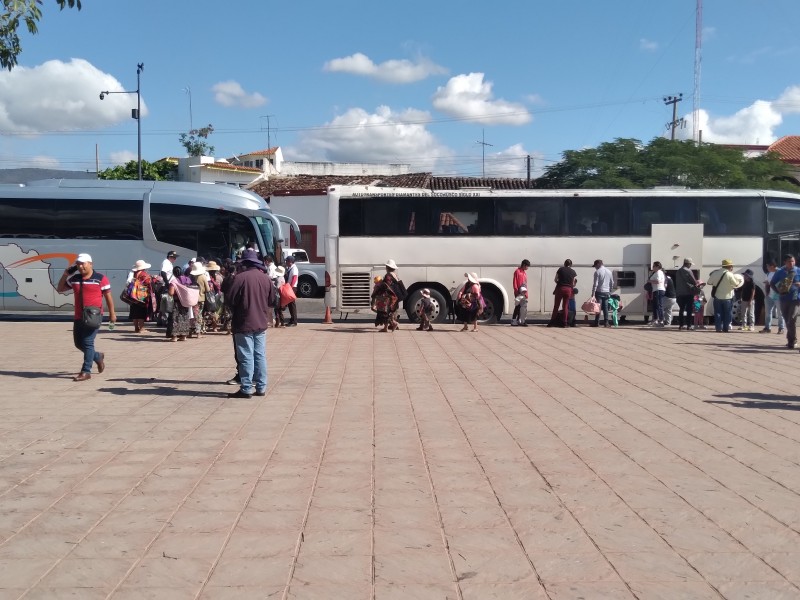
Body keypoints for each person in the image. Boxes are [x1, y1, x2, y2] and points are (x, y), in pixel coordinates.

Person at [56, 253, 116, 381]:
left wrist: (112, 314)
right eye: (78, 264)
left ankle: (86, 371)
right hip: (79, 316)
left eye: (83, 263)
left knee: (88, 342)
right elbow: (60, 289)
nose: (80, 266)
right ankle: (97, 357)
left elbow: (108, 297)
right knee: (78, 343)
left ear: (90, 264)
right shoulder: (75, 279)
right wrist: (66, 274)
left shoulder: (100, 278)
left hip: (94, 316)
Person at [225, 248, 273, 399]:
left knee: (246, 356)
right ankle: (261, 387)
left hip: (244, 322)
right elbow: (273, 301)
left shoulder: (239, 278)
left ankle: (246, 388)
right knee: (260, 355)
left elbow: (229, 300)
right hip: (261, 321)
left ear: (244, 263)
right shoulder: (266, 278)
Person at [706, 259, 745, 333]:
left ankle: (718, 328)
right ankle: (725, 328)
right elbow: (736, 284)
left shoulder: (716, 273)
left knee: (718, 313)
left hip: (717, 297)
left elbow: (709, 282)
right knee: (727, 313)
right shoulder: (730, 274)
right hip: (728, 297)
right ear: (729, 266)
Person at [772, 253, 800, 349]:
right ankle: (790, 339)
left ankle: (793, 340)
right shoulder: (780, 272)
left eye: (793, 261)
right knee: (787, 320)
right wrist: (778, 292)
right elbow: (772, 283)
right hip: (784, 299)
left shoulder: (798, 271)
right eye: (789, 261)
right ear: (785, 262)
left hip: (795, 299)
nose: (791, 263)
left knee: (792, 319)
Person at [167, 266, 195, 342]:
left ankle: (175, 336)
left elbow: (171, 292)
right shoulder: (188, 279)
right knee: (185, 317)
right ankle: (184, 336)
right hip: (186, 302)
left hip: (177, 302)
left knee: (175, 318)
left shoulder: (174, 281)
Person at [126, 259, 153, 334]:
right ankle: (141, 328)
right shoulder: (144, 274)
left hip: (133, 295)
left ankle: (136, 328)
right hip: (141, 296)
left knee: (134, 312)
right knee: (141, 312)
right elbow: (148, 282)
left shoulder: (133, 274)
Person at [549, 259, 576, 328]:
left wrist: (560, 282)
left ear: (564, 264)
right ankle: (565, 322)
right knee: (565, 306)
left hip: (560, 288)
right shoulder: (573, 272)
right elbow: (573, 283)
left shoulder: (560, 269)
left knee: (556, 306)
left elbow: (555, 279)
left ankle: (552, 322)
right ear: (571, 264)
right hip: (568, 290)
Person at [675, 258, 700, 331]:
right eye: (690, 264)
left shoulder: (678, 271)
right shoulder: (688, 271)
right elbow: (694, 281)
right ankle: (689, 325)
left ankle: (681, 325)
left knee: (681, 309)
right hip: (688, 293)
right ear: (688, 264)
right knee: (689, 310)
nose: (690, 266)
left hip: (679, 293)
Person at [760, 261, 785, 334]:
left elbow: (783, 283)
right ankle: (767, 328)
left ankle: (781, 328)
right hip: (769, 295)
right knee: (768, 312)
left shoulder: (780, 272)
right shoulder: (768, 273)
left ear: (772, 266)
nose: (767, 268)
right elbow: (767, 282)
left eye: (768, 266)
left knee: (780, 313)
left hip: (778, 295)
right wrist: (766, 293)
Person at [590, 259, 614, 328]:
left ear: (598, 264)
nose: (595, 267)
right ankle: (606, 323)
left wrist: (593, 293)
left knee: (598, 307)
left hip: (599, 291)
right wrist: (610, 291)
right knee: (606, 308)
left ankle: (597, 322)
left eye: (595, 266)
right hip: (607, 292)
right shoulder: (609, 271)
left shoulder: (597, 272)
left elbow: (595, 284)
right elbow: (612, 282)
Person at [384, 259, 406, 330]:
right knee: (394, 310)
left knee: (388, 311)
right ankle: (392, 325)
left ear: (387, 267)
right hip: (397, 296)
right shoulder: (395, 275)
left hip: (391, 296)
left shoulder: (388, 276)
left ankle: (393, 324)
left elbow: (387, 286)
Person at [160, 250, 179, 331]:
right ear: (170, 257)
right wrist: (167, 283)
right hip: (167, 286)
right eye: (173, 257)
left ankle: (165, 321)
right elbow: (163, 272)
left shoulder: (169, 263)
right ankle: (166, 321)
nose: (175, 259)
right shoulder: (166, 262)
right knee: (167, 303)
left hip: (168, 285)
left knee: (168, 303)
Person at [189, 262, 209, 337]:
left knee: (191, 315)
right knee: (198, 315)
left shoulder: (191, 277)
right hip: (201, 299)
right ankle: (198, 333)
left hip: (192, 299)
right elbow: (208, 289)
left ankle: (190, 332)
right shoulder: (203, 277)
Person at [511, 259, 530, 326]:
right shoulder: (517, 272)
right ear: (524, 265)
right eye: (527, 266)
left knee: (523, 307)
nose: (527, 268)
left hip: (523, 292)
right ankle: (513, 320)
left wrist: (526, 293)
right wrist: (516, 291)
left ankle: (521, 320)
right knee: (517, 306)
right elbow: (515, 282)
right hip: (518, 292)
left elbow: (525, 284)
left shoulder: (524, 273)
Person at [648, 261, 666, 326]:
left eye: (654, 266)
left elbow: (658, 281)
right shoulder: (656, 273)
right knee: (655, 306)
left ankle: (661, 320)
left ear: (657, 267)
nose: (653, 267)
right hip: (656, 290)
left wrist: (649, 281)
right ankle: (655, 319)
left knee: (659, 305)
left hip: (658, 290)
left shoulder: (659, 272)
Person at [284, 255, 299, 327]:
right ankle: (292, 319)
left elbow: (294, 278)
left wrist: (291, 287)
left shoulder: (294, 268)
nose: (286, 262)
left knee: (292, 304)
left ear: (290, 262)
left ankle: (294, 321)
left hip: (292, 287)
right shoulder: (290, 268)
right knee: (290, 304)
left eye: (286, 261)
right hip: (290, 287)